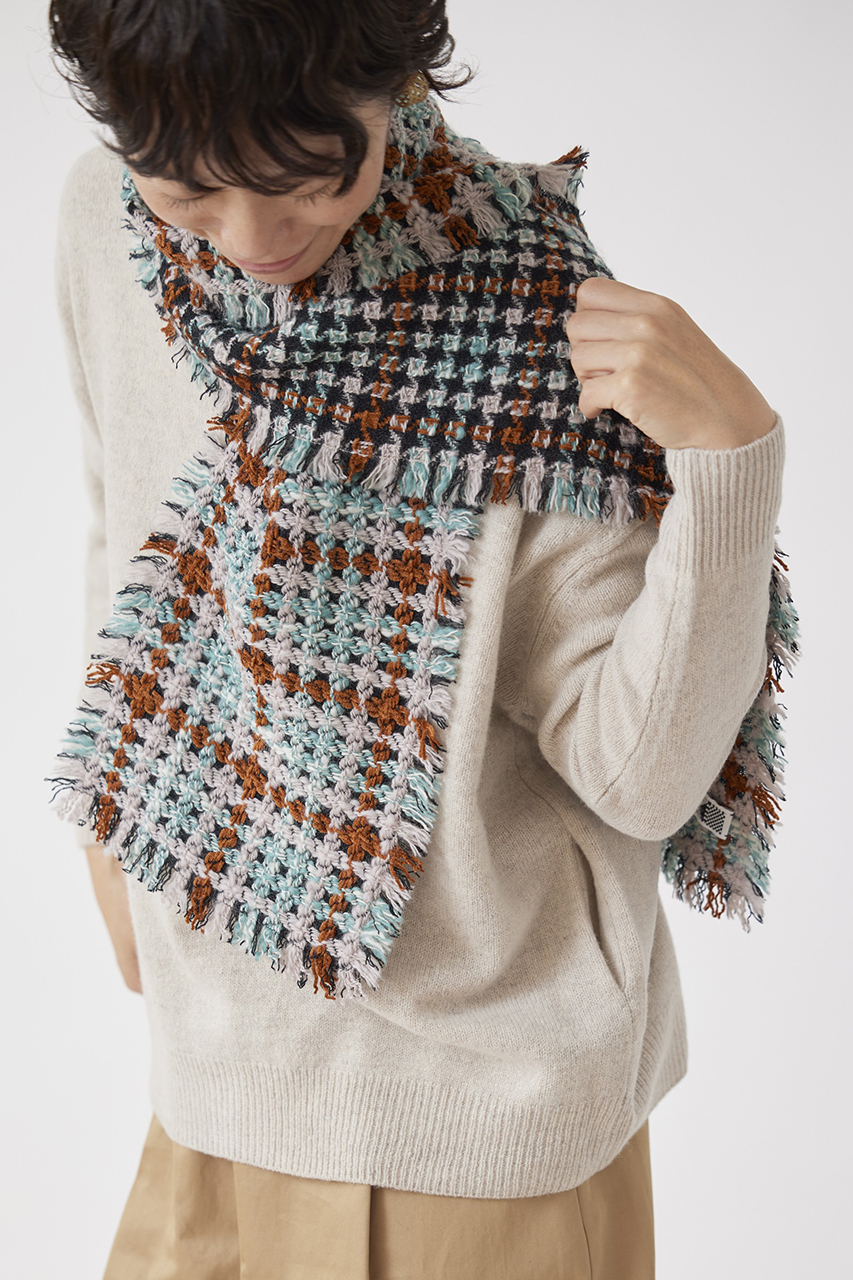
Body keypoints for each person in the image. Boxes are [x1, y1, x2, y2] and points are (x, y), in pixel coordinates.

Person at [46, 1, 795, 1276]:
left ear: (391, 77)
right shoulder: (106, 220)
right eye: (192, 190)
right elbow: (122, 511)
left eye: (306, 173)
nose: (252, 240)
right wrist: (111, 831)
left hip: (476, 1129)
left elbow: (642, 778)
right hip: (212, 1078)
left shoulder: (530, 320)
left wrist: (729, 467)